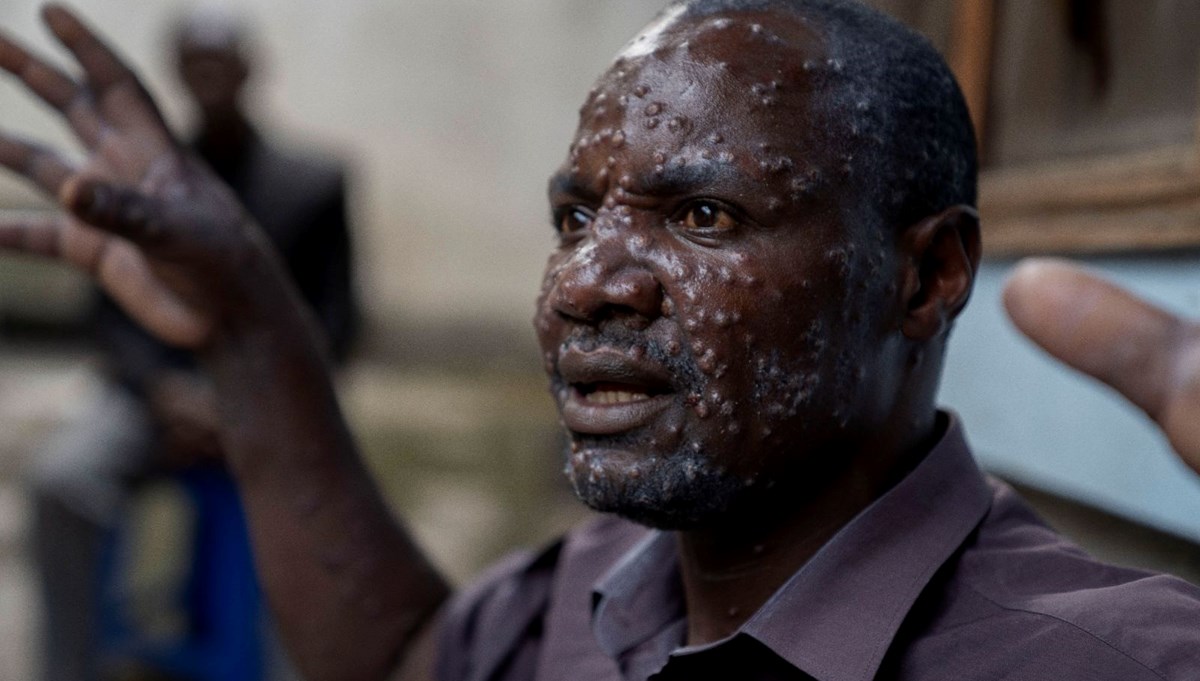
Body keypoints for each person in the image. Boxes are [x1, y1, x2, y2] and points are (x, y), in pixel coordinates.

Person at [0, 1, 1197, 680]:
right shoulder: (599, 584)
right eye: (575, 216)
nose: (587, 282)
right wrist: (252, 327)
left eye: (703, 215)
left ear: (925, 275)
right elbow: (412, 658)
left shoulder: (1098, 661)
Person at [20, 8, 357, 680]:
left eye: (220, 60)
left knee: (322, 515)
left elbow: (336, 321)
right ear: (175, 70)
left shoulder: (310, 185)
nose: (208, 76)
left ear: (249, 68)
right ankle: (69, 666)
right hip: (153, 400)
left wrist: (251, 399)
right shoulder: (139, 182)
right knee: (61, 481)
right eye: (193, 61)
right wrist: (163, 392)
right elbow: (110, 315)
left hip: (269, 409)